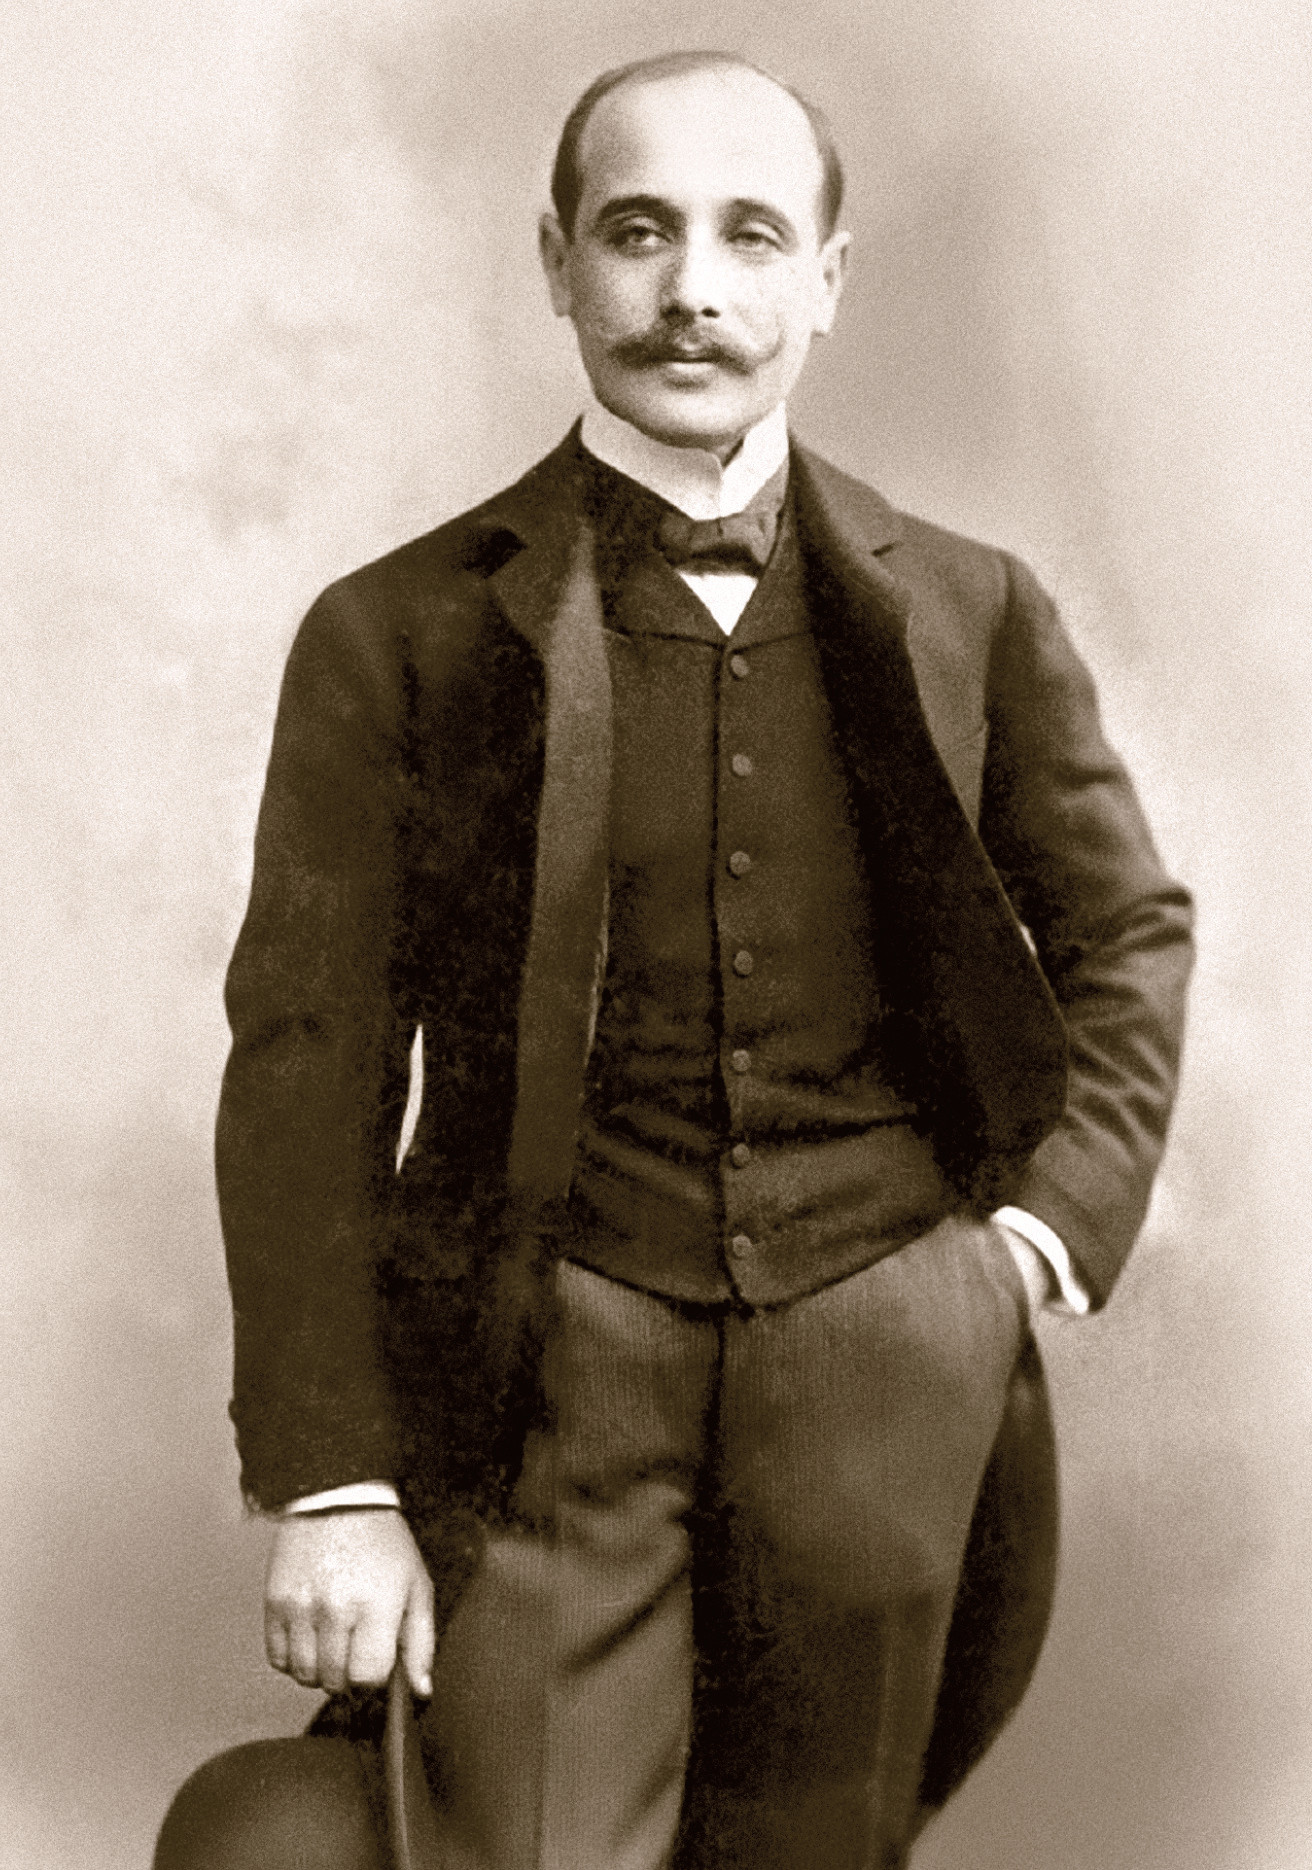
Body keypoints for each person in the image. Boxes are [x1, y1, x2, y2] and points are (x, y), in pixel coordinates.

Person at [156, 49, 1193, 1870]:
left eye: (750, 236)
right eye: (637, 233)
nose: (692, 288)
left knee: (818, 1845)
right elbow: (308, 1066)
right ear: (556, 263)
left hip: (887, 1339)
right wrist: (335, 1478)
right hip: (553, 1359)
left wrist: (1025, 1251)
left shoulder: (971, 606)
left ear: (829, 280)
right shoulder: (396, 633)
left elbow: (1126, 933)